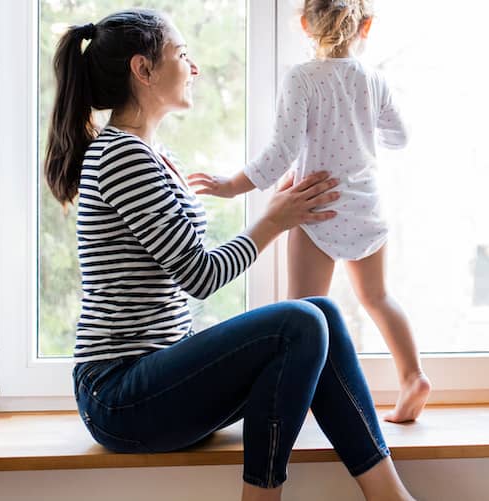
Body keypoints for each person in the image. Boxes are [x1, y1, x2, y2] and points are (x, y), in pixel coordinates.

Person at [43, 9, 416, 501]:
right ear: (143, 70)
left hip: (155, 379)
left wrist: (278, 210)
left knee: (320, 312)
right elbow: (199, 275)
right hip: (119, 396)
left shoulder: (150, 154)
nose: (193, 67)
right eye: (181, 54)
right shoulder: (121, 156)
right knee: (300, 321)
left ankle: (391, 497)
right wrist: (273, 221)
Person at [192, 0, 430, 423]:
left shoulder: (301, 79)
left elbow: (280, 152)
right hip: (367, 207)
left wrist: (231, 186)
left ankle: (298, 404)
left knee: (302, 313)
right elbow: (400, 137)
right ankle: (413, 377)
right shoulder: (374, 80)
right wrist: (363, 130)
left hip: (315, 208)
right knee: (377, 297)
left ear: (304, 24)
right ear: (367, 26)